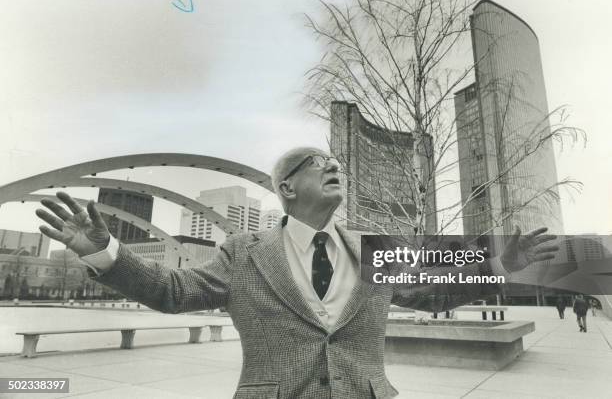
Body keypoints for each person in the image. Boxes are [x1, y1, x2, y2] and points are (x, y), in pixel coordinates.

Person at [35, 147, 559, 399]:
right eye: (316, 162)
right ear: (285, 187)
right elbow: (174, 291)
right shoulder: (243, 251)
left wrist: (497, 265)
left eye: (336, 162)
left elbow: (432, 292)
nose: (334, 166)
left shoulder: (372, 249)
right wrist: (104, 253)